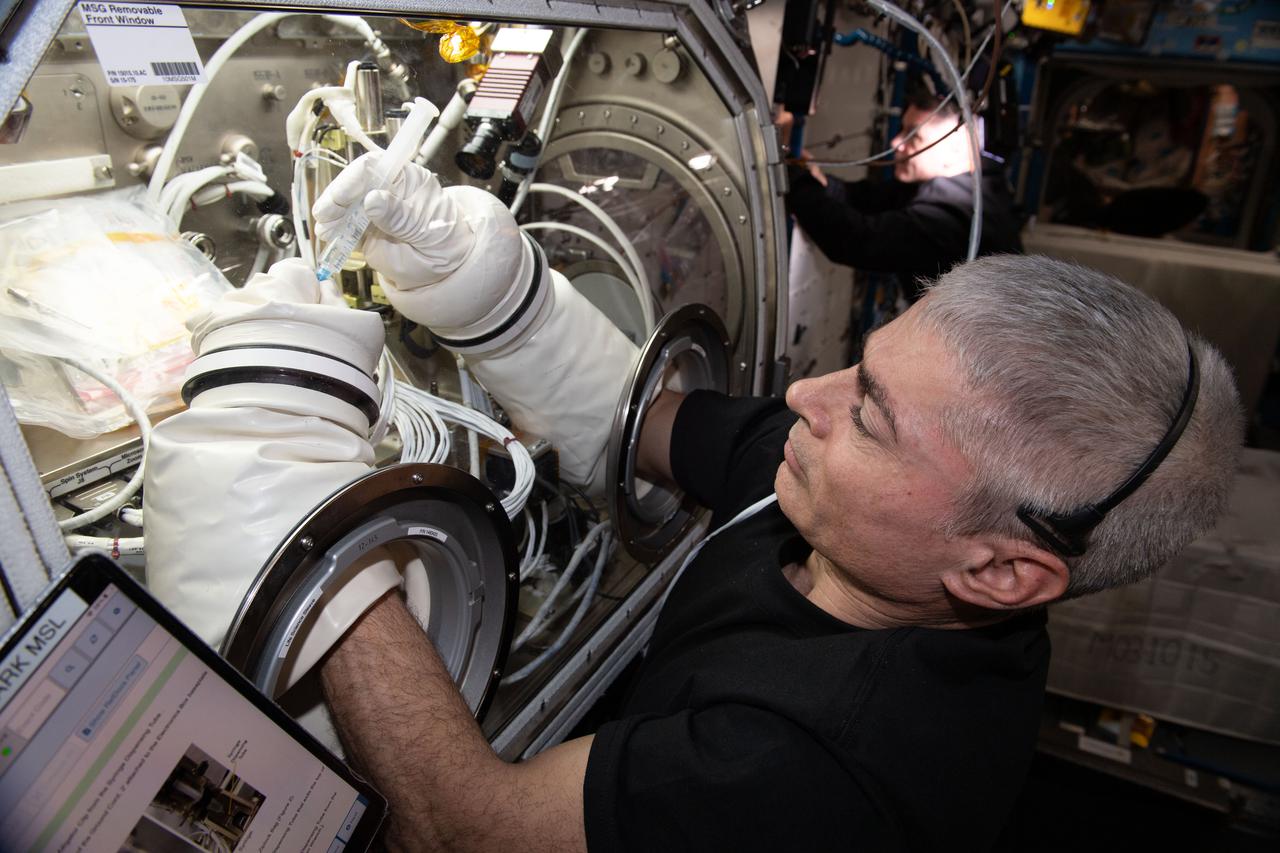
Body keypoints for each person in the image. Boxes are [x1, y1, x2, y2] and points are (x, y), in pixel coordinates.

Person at [312, 215, 1243, 848]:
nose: (806, 397)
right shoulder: (848, 499)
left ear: (1000, 572)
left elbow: (461, 827)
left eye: (873, 416)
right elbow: (653, 425)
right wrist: (481, 285)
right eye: (862, 368)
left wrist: (302, 496)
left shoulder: (815, 771)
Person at [784, 91, 1023, 302]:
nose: (896, 142)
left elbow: (858, 241)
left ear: (956, 147)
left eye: (913, 136)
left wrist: (793, 181)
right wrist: (818, 181)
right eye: (902, 130)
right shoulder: (975, 178)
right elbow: (872, 198)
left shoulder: (953, 213)